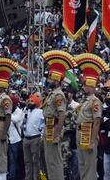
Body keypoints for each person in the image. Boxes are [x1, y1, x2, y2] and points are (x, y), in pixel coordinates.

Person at [41, 50, 76, 180]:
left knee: (55, 161)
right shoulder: (52, 93)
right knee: (49, 161)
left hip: (54, 128)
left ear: (56, 79)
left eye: (51, 77)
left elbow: (62, 115)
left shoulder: (59, 95)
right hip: (48, 127)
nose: (49, 79)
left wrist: (57, 134)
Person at [74, 53, 109, 180]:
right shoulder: (84, 100)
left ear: (91, 85)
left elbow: (97, 122)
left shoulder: (95, 101)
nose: (83, 87)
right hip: (80, 131)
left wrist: (92, 141)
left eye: (85, 84)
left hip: (88, 133)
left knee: (89, 166)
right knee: (82, 165)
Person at [22, 94, 44, 180]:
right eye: (29, 101)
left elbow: (43, 125)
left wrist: (41, 135)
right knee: (27, 161)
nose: (30, 102)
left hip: (35, 138)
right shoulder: (25, 111)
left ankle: (36, 178)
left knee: (35, 161)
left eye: (32, 101)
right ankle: (28, 178)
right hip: (26, 139)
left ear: (36, 103)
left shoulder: (40, 112)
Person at [8, 95, 24, 180]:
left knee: (12, 160)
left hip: (15, 139)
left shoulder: (19, 112)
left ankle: (12, 177)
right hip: (6, 138)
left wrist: (8, 111)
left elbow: (14, 120)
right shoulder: (8, 110)